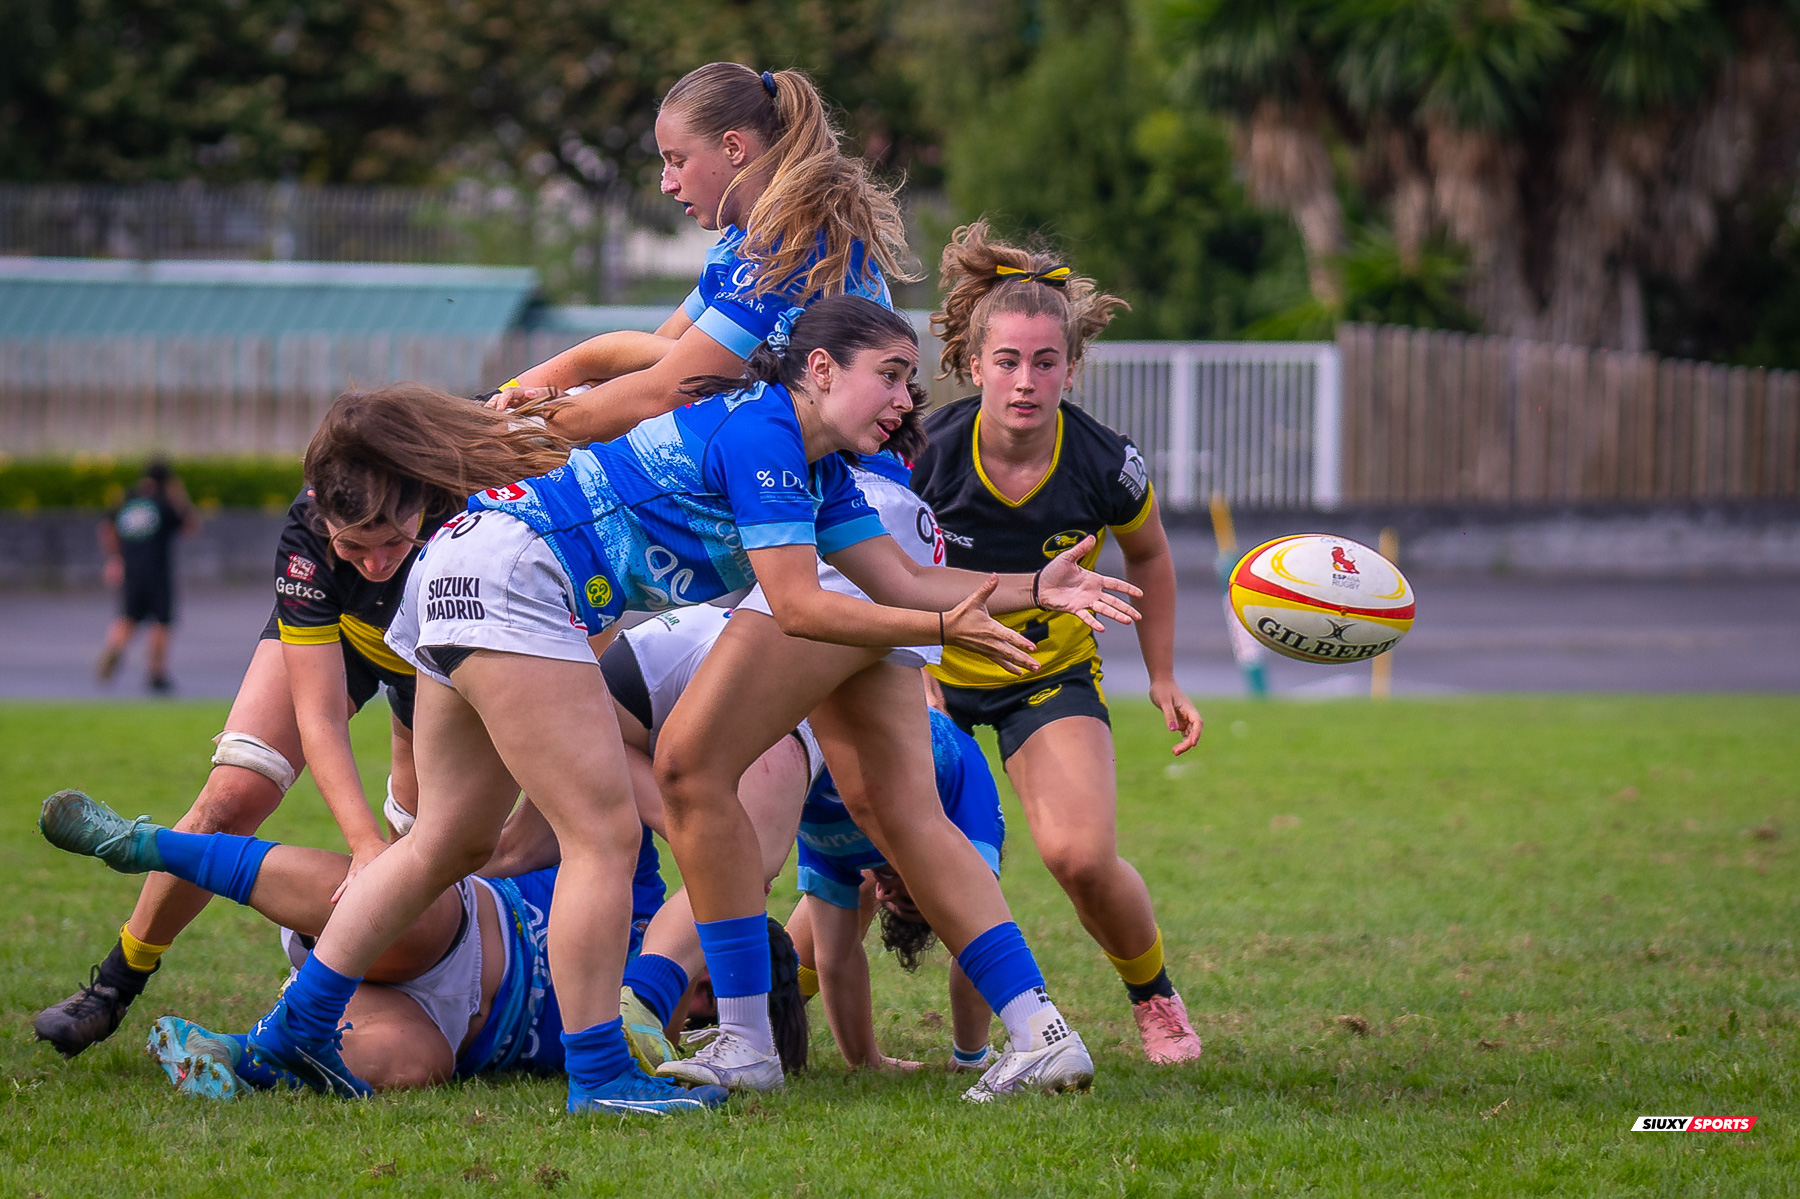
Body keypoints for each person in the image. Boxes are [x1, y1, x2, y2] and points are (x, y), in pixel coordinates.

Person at [244, 296, 1134, 1117]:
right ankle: (598, 1072)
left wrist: (1032, 587)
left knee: (451, 839)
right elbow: (798, 607)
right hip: (513, 580)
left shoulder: (818, 476)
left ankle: (294, 1029)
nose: (907, 399)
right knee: (603, 833)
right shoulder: (765, 440)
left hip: (468, 568)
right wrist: (945, 624)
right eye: (892, 374)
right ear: (819, 371)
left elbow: (900, 576)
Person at [629, 298, 1138, 1105]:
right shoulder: (818, 438)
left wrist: (542, 396)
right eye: (894, 378)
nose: (908, 400)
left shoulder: (783, 335)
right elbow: (903, 578)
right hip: (880, 547)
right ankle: (1042, 1030)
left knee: (690, 767)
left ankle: (739, 1036)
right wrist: (1030, 586)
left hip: (828, 567)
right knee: (904, 814)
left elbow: (804, 600)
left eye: (679, 161)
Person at [31, 451, 462, 1059]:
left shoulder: (473, 480)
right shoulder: (309, 527)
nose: (373, 565)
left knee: (426, 853)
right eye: (353, 548)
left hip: (447, 648)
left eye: (390, 543)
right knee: (231, 797)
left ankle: (365, 1003)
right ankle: (115, 984)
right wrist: (360, 842)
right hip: (347, 632)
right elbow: (319, 718)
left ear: (423, 498)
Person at [909, 221, 1207, 1065]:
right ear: (974, 364)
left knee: (1080, 854)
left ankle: (1154, 998)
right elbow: (877, 570)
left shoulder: (1105, 463)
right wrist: (910, 673)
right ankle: (779, 1010)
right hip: (930, 675)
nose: (1026, 380)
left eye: (1046, 362)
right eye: (1008, 360)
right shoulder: (927, 453)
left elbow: (1149, 553)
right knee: (869, 867)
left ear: (1072, 369)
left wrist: (1163, 675)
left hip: (1046, 672)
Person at [36, 788, 654, 1096]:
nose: (697, 999)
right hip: (452, 926)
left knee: (419, 1066)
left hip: (441, 1023)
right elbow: (591, 792)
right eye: (707, 984)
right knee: (421, 918)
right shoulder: (640, 890)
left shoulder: (659, 1039)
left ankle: (236, 1055)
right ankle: (146, 845)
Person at [491, 62, 912, 442]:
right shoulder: (744, 241)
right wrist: (519, 400)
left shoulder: (794, 247)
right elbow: (649, 359)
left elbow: (659, 394)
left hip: (844, 480)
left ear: (734, 148)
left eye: (677, 160)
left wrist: (507, 430)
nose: (666, 183)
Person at [783, 706, 1004, 1073]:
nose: (883, 895)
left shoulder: (833, 841)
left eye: (893, 903)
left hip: (809, 759)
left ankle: (740, 1017)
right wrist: (970, 1055)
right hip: (900, 735)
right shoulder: (968, 808)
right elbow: (980, 934)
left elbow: (835, 961)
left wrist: (866, 1063)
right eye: (906, 894)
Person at [96, 460, 197, 694]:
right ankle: (156, 673)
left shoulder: (128, 498)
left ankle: (114, 648)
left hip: (131, 570)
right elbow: (191, 525)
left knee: (128, 616)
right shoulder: (165, 502)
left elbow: (107, 527)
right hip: (158, 572)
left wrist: (114, 558)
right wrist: (179, 495)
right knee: (161, 622)